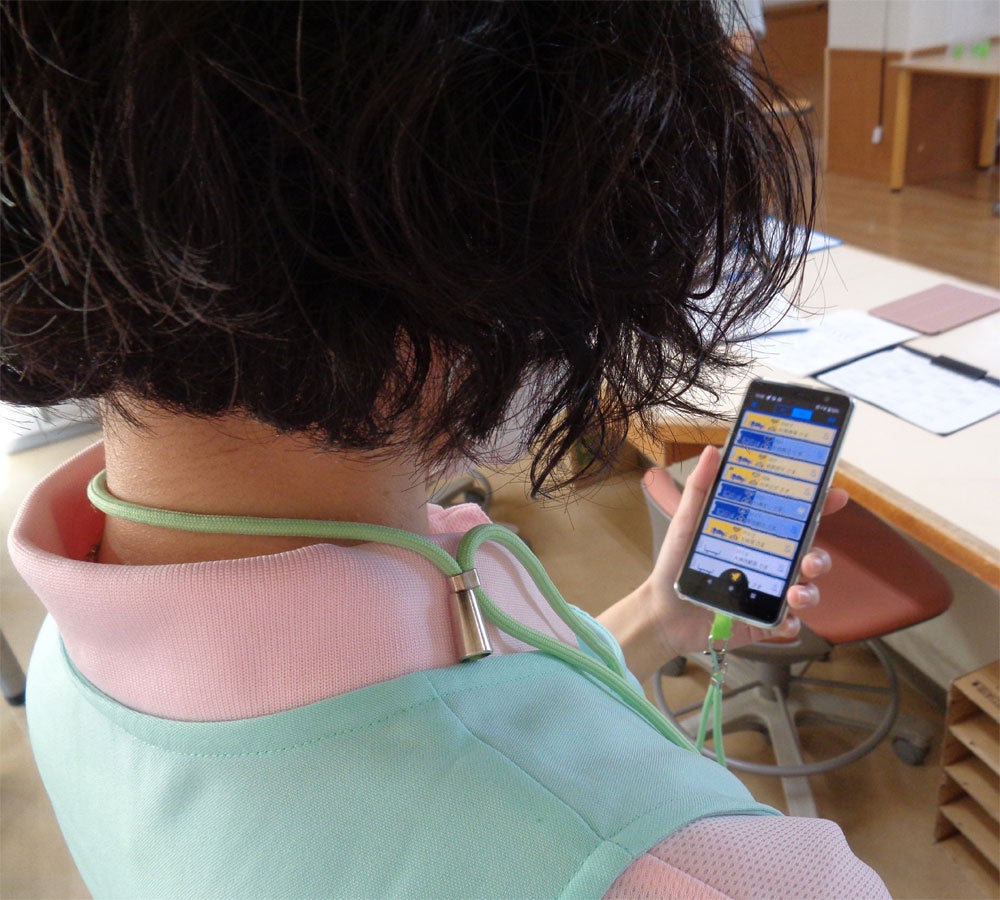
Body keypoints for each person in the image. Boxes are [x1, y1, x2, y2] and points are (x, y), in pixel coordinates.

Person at [2, 2, 889, 897]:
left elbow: (458, 714)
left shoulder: (72, 665)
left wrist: (659, 620)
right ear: (454, 280)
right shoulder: (736, 880)